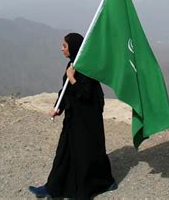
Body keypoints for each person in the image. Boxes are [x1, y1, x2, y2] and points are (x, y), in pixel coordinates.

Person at [28, 33, 117, 199]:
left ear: (73, 47)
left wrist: (71, 77)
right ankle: (52, 188)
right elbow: (65, 91)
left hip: (87, 120)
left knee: (88, 153)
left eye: (64, 45)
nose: (61, 48)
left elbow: (87, 94)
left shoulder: (87, 67)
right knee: (64, 151)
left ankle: (101, 184)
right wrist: (58, 107)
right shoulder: (73, 64)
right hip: (73, 117)